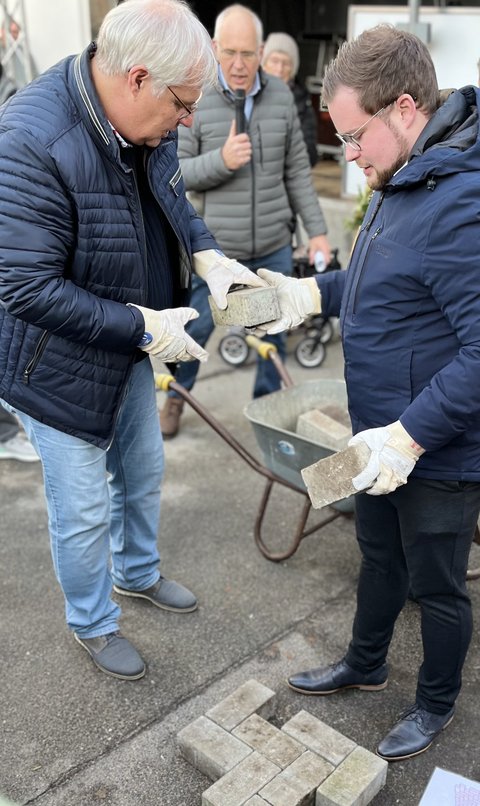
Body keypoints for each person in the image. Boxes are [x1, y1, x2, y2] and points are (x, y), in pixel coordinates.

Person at [0, 0, 264, 680]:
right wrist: (145, 325)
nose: (185, 122)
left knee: (142, 471)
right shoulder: (31, 138)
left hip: (128, 343)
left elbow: (171, 196)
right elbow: (26, 288)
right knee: (83, 508)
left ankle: (137, 572)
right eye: (181, 105)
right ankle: (92, 621)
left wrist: (206, 257)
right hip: (52, 363)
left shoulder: (149, 120)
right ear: (138, 78)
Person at [252, 23, 480, 761]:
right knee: (377, 555)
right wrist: (307, 296)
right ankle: (367, 662)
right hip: (373, 435)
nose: (349, 155)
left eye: (355, 137)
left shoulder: (460, 201)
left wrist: (408, 437)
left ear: (405, 108)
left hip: (433, 446)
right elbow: (382, 283)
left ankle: (436, 704)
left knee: (438, 584)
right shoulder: (401, 173)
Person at [159, 3, 331, 438]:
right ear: (214, 48)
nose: (238, 64)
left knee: (272, 336)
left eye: (248, 53)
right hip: (215, 248)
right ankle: (176, 398)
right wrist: (220, 161)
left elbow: (296, 172)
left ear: (261, 50)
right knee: (194, 329)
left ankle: (266, 413)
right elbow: (173, 173)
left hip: (273, 241)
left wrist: (319, 233)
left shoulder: (281, 98)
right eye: (230, 52)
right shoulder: (194, 94)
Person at [262, 32, 318, 168]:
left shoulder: (303, 102)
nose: (279, 69)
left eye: (286, 63)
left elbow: (310, 155)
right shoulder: (249, 95)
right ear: (263, 64)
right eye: (274, 61)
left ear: (293, 70)